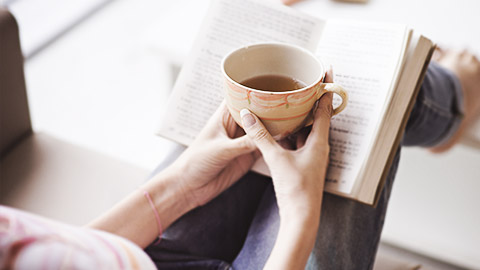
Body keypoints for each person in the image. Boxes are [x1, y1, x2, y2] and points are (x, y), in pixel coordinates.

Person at [1, 51, 479, 270]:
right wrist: (299, 217)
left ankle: (443, 98)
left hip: (142, 256)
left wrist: (182, 184)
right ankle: (451, 100)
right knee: (364, 110)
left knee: (307, 68)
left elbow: (74, 252)